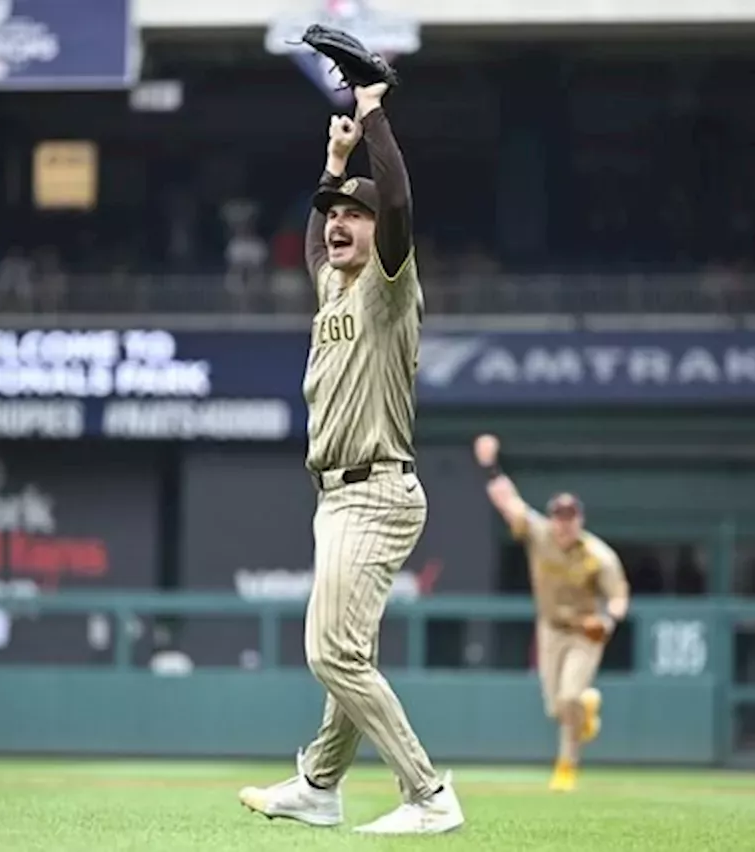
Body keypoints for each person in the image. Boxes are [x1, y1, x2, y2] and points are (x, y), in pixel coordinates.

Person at [237, 81, 464, 835]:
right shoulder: (335, 287)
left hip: (375, 488)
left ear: (379, 233)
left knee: (330, 651)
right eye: (336, 213)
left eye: (353, 216)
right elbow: (313, 244)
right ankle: (321, 786)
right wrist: (333, 166)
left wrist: (370, 117)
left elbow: (396, 198)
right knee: (349, 651)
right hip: (339, 496)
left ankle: (427, 795)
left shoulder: (388, 288)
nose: (338, 224)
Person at [473, 433, 630, 791]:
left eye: (570, 516)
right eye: (559, 516)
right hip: (551, 628)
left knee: (570, 696)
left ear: (580, 519)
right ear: (552, 518)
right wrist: (490, 465)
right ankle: (585, 711)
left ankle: (566, 767)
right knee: (557, 708)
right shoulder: (540, 534)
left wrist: (608, 621)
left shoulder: (597, 554)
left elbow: (619, 595)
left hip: (583, 632)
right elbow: (506, 501)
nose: (564, 523)